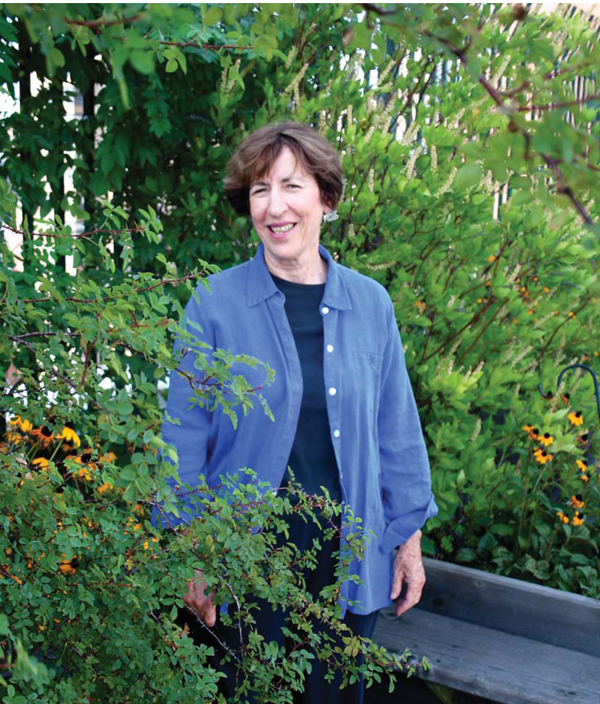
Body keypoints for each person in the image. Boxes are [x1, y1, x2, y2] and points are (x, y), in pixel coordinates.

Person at [159, 121, 437, 703]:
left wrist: (406, 538)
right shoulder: (215, 305)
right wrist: (191, 555)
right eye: (260, 190)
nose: (274, 206)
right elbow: (182, 439)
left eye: (291, 186)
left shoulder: (371, 304)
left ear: (326, 198)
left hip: (347, 565)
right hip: (244, 566)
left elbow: (397, 430)